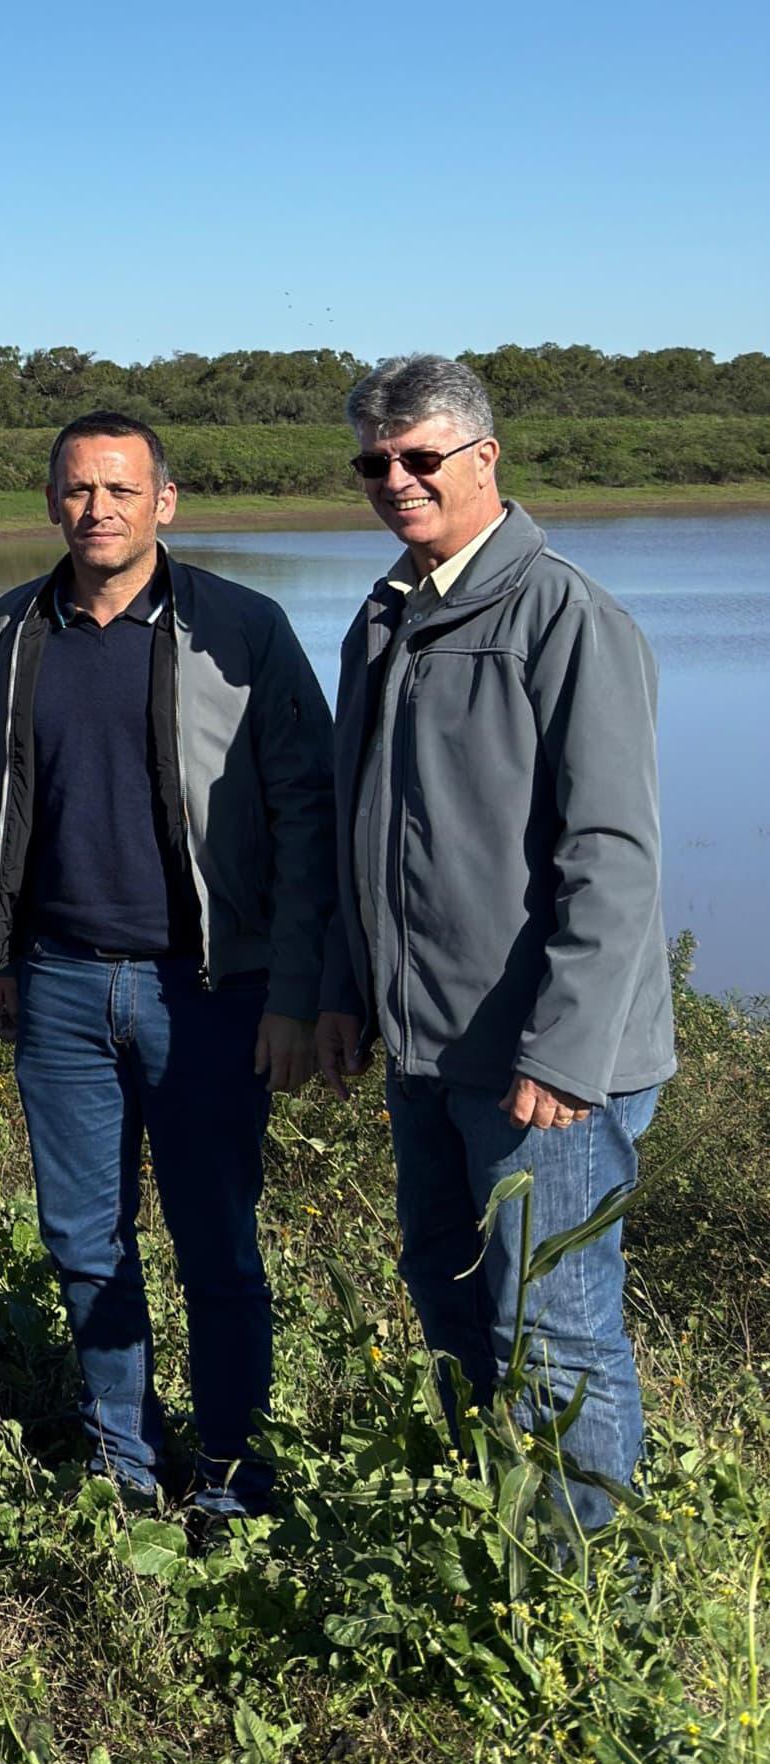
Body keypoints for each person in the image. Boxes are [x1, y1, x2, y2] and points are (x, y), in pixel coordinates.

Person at [316, 355, 673, 1534]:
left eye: (422, 457)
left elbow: (612, 857)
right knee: (453, 1306)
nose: (398, 481)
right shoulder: (387, 616)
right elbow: (356, 832)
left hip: (543, 1074)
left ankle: (589, 1611)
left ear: (484, 459)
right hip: (428, 1055)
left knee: (556, 1334)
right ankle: (495, 1560)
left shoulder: (565, 617)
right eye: (377, 462)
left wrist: (565, 1055)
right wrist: (345, 995)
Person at [0, 413, 335, 1522]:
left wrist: (294, 989)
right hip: (65, 981)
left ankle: (231, 1473)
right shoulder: (13, 626)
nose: (99, 509)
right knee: (82, 1240)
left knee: (216, 1245)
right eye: (79, 489)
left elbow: (306, 814)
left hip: (207, 992)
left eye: (122, 490)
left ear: (164, 503)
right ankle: (125, 1467)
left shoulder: (243, 627)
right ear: (52, 503)